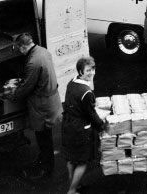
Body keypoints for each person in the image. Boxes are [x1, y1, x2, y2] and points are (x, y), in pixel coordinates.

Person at [4, 32, 62, 180]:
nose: (20, 52)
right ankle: (43, 162)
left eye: (19, 49)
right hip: (50, 101)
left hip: (42, 107)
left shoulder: (33, 61)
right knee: (45, 138)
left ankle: (45, 170)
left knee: (43, 139)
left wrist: (12, 95)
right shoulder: (42, 51)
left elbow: (27, 86)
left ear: (23, 47)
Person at [61, 56, 105, 194]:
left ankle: (73, 184)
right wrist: (102, 126)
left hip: (68, 125)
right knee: (82, 162)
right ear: (80, 71)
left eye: (93, 69)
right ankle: (72, 190)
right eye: (88, 71)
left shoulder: (71, 82)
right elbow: (91, 115)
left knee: (71, 158)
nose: (91, 73)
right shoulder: (86, 92)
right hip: (80, 129)